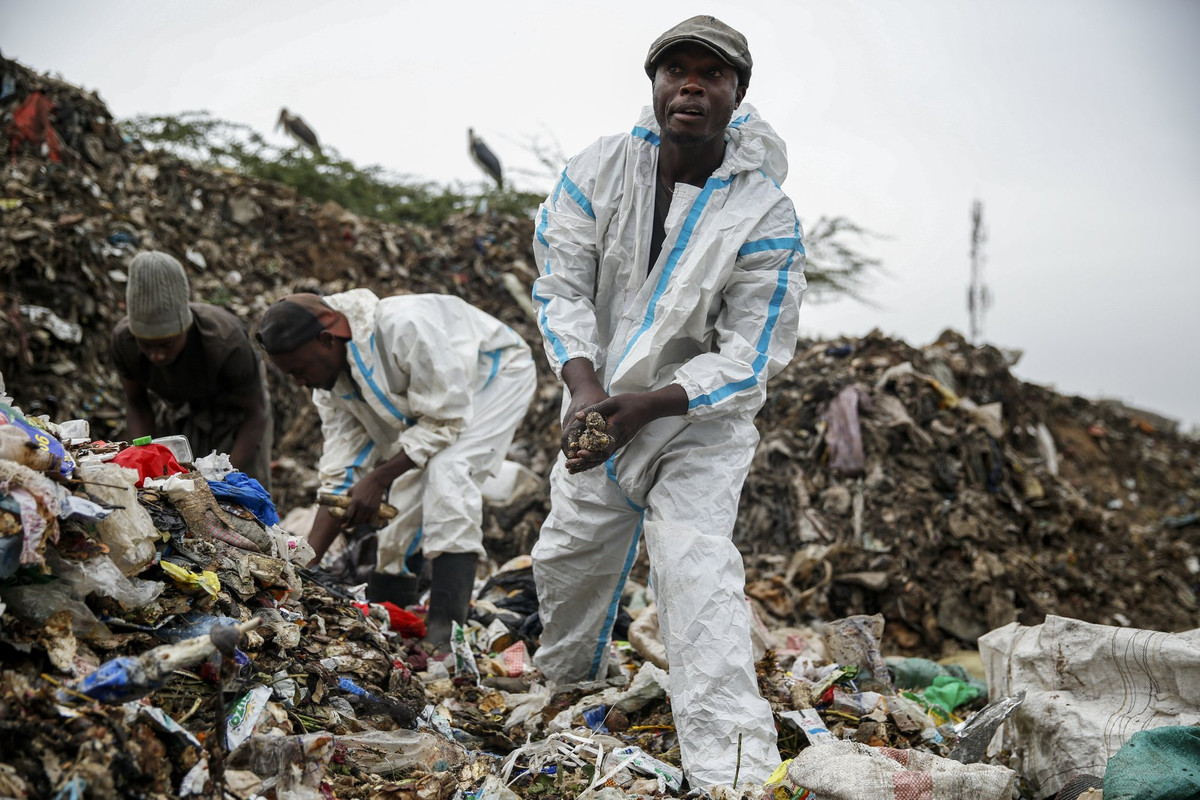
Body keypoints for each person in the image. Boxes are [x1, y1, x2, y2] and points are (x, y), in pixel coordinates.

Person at [529, 15, 806, 789]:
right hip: (599, 410)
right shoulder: (599, 168)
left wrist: (651, 404)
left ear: (736, 94)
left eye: (710, 74)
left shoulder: (764, 214)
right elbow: (561, 283)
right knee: (566, 561)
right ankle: (569, 687)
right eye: (674, 70)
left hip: (695, 426)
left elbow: (752, 354)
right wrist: (585, 387)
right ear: (652, 85)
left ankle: (735, 768)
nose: (690, 85)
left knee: (694, 574)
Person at [256, 290, 537, 647]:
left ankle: (445, 635)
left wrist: (378, 477)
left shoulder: (403, 326)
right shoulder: (330, 386)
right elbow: (343, 472)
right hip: (438, 405)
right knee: (405, 497)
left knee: (449, 472)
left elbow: (445, 420)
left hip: (493, 376)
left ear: (326, 340)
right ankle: (391, 616)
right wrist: (302, 566)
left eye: (299, 370)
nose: (299, 382)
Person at [111, 251, 273, 489]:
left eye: (167, 344)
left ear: (185, 330)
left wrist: (225, 476)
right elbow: (137, 403)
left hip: (237, 419)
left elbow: (256, 413)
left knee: (241, 498)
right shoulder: (124, 342)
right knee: (174, 491)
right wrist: (143, 456)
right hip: (182, 412)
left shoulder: (225, 342)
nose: (157, 356)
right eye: (146, 345)